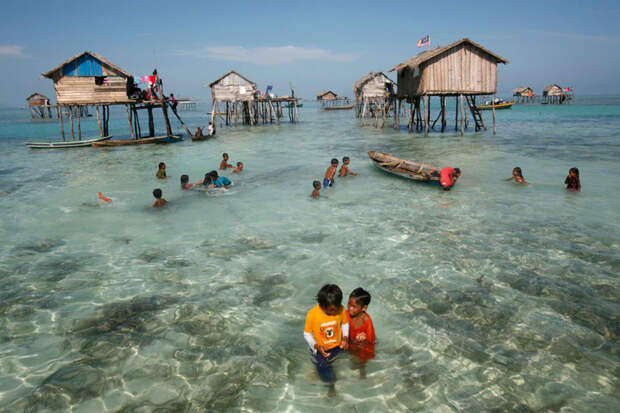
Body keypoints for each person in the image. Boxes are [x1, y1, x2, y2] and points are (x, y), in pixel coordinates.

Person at [303, 284, 349, 390]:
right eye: (331, 310)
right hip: (321, 349)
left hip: (338, 345)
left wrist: (345, 337)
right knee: (323, 367)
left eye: (337, 309)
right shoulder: (312, 314)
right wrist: (316, 346)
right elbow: (307, 334)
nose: (334, 312)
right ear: (321, 305)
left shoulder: (340, 309)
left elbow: (344, 323)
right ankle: (331, 386)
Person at [346, 288, 375, 377]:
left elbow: (371, 342)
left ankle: (362, 370)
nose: (350, 308)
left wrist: (364, 340)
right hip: (349, 342)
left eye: (354, 306)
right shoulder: (345, 314)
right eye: (349, 304)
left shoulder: (367, 322)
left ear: (364, 308)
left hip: (360, 346)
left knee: (361, 360)